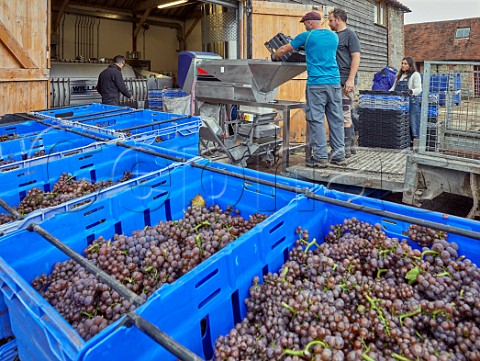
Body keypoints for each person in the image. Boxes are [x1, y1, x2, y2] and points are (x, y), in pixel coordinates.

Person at [271, 11, 346, 168]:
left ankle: (320, 158)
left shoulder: (307, 36)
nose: (305, 27)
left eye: (305, 24)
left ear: (310, 23)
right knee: (336, 119)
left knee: (316, 120)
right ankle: (339, 155)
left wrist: (274, 57)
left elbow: (284, 49)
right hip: (334, 83)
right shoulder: (334, 36)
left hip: (317, 84)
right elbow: (322, 51)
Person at [328, 8, 361, 158]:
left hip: (346, 81)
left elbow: (356, 57)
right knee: (342, 113)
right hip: (336, 80)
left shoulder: (350, 34)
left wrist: (350, 79)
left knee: (344, 113)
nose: (329, 23)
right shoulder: (334, 36)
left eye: (330, 20)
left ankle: (345, 150)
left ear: (338, 19)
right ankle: (350, 147)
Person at [389, 56, 423, 139]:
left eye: (405, 64)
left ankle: (416, 141)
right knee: (402, 123)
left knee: (414, 122)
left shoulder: (415, 75)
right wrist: (386, 94)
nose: (403, 65)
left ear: (410, 65)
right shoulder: (399, 75)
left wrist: (411, 91)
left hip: (411, 102)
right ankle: (405, 141)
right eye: (402, 63)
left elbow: (419, 89)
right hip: (399, 103)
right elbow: (393, 88)